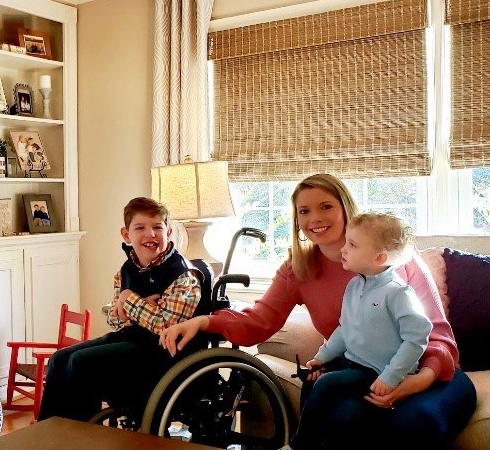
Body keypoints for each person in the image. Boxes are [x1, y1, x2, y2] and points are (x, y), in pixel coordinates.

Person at [159, 174, 476, 449]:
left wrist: (415, 382)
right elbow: (258, 321)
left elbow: (436, 337)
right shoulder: (298, 270)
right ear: (296, 220)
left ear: (345, 209)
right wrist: (203, 322)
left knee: (416, 422)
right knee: (343, 419)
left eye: (326, 206)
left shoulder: (391, 259)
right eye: (304, 211)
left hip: (431, 376)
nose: (315, 218)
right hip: (365, 374)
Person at [37, 197, 203, 422]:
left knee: (82, 362)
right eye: (140, 228)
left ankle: (79, 438)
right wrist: (141, 308)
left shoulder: (184, 275)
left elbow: (165, 325)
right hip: (130, 339)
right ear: (127, 235)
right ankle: (51, 436)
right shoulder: (126, 271)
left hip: (163, 353)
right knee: (60, 359)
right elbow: (116, 319)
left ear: (169, 232)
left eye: (157, 227)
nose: (150, 234)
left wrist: (129, 299)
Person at [290, 212, 431, 449]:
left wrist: (390, 377)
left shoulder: (397, 292)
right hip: (354, 362)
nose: (343, 250)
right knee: (311, 380)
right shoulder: (354, 286)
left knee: (326, 385)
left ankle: (300, 444)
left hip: (376, 370)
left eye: (352, 245)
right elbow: (345, 329)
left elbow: (417, 339)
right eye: (346, 241)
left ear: (379, 257)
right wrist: (322, 357)